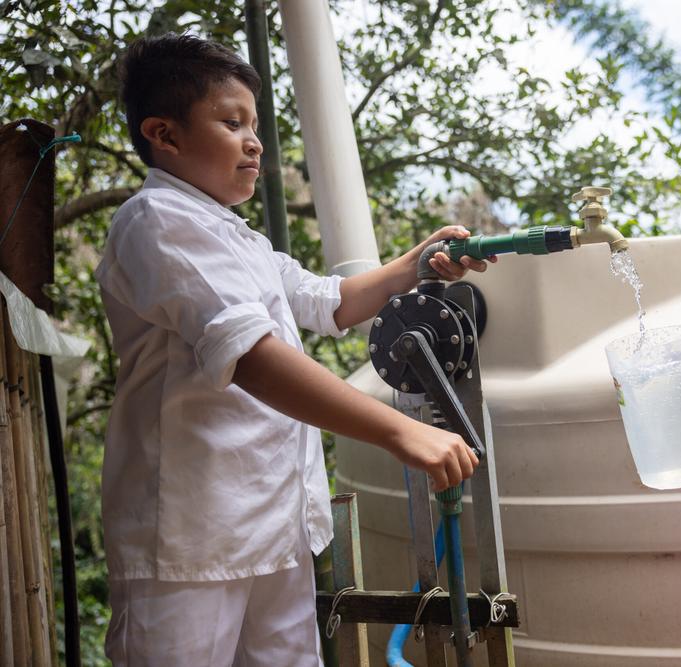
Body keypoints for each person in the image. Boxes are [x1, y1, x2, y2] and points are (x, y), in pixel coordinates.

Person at [96, 33, 492, 666]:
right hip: (189, 541)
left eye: (255, 124)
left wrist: (418, 261)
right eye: (232, 123)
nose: (255, 141)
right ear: (164, 136)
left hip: (271, 529)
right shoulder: (158, 221)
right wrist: (398, 431)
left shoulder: (239, 238)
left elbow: (327, 301)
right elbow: (251, 357)